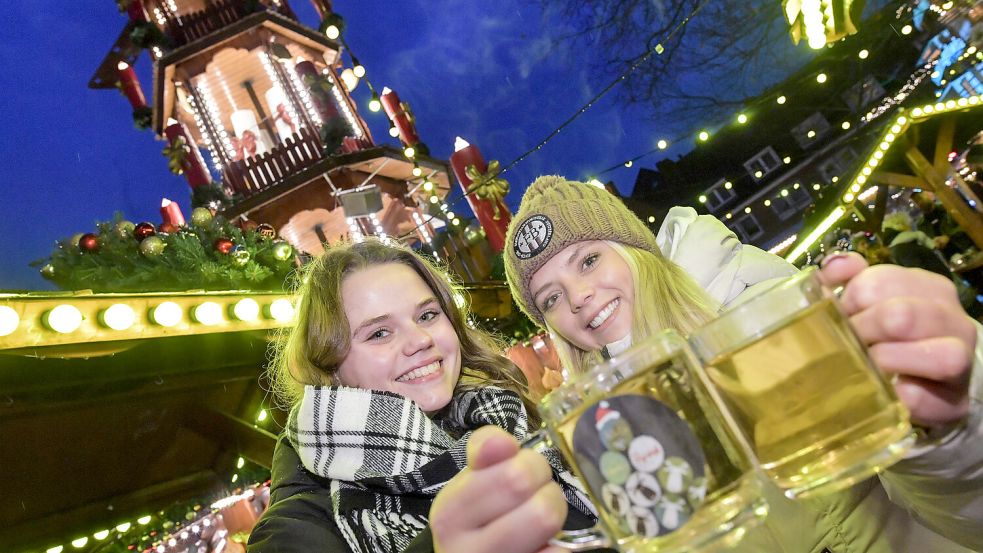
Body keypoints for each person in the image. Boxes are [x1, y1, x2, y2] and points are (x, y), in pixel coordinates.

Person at [447, 175, 982, 552]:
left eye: (588, 260)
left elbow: (950, 480)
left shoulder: (755, 311)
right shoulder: (604, 420)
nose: (579, 298)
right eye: (551, 299)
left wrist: (953, 411)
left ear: (633, 250)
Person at [247, 239, 595, 553]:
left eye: (427, 315)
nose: (420, 340)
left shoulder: (507, 417)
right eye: (379, 333)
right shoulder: (292, 531)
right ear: (330, 368)